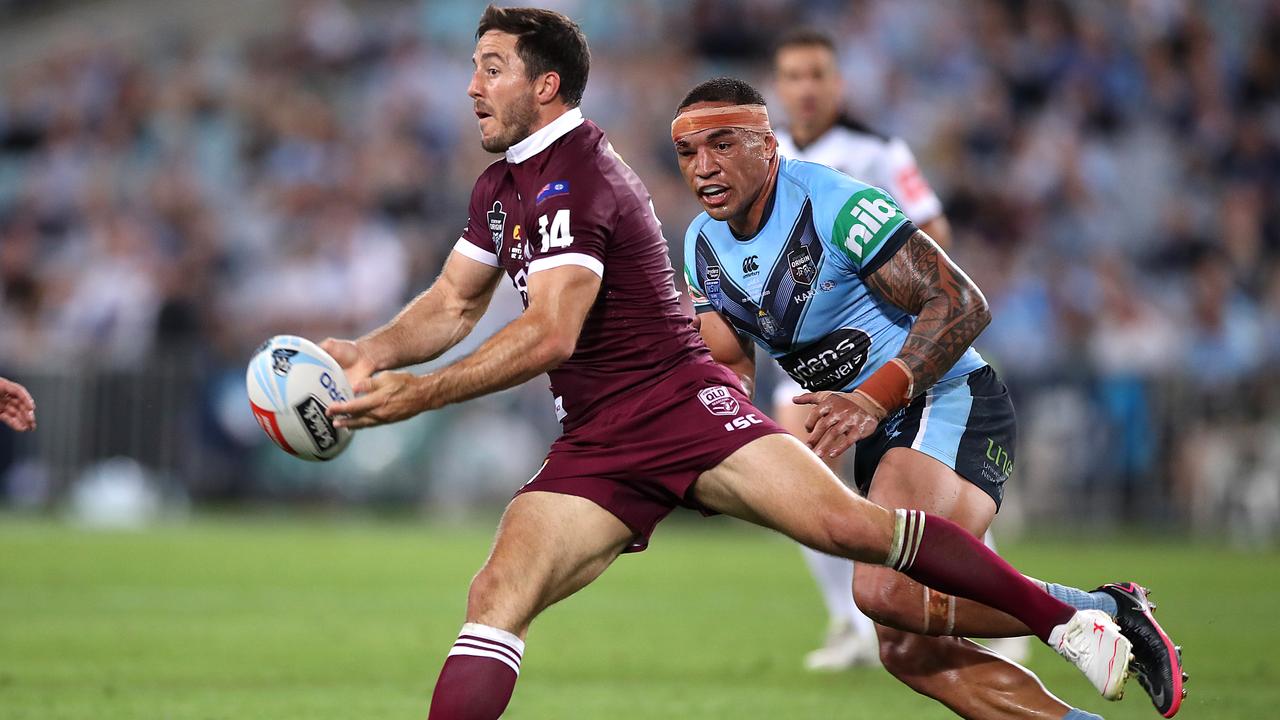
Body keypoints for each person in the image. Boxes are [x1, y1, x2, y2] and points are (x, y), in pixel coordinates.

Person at [324, 7, 1135, 719]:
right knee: (495, 596)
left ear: (546, 87)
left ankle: (1070, 614)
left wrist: (416, 395)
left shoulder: (577, 180)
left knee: (856, 538)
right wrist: (368, 351)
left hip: (682, 410)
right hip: (598, 440)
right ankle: (1079, 616)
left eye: (491, 68)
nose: (470, 85)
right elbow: (454, 302)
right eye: (473, 67)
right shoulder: (505, 188)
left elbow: (550, 335)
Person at [674, 76, 1185, 720]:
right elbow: (726, 359)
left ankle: (1101, 611)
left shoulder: (834, 204)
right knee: (906, 649)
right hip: (880, 435)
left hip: (950, 403)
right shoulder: (699, 243)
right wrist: (716, 445)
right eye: (688, 153)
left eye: (722, 144)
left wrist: (872, 396)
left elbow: (963, 302)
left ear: (766, 144)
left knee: (882, 590)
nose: (704, 166)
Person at [769, 27, 1030, 671]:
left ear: (839, 84)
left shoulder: (877, 151)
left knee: (934, 485)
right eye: (794, 76)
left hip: (883, 343)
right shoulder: (762, 155)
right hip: (805, 354)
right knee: (795, 474)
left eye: (817, 75)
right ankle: (847, 622)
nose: (806, 88)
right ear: (780, 86)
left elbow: (931, 233)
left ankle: (1003, 602)